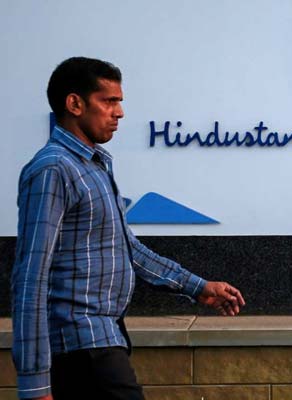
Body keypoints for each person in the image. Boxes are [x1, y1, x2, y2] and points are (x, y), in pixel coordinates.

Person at [11, 57, 245, 400]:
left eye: (119, 102)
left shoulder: (94, 167)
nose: (119, 113)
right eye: (109, 101)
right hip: (81, 343)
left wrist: (198, 287)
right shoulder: (53, 170)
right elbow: (30, 276)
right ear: (74, 104)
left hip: (103, 337)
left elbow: (128, 250)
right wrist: (34, 384)